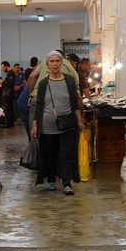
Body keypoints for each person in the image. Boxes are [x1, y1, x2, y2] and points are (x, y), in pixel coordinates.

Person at [31, 51, 85, 195]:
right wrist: (35, 125)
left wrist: (79, 119)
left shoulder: (69, 80)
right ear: (47, 64)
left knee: (67, 154)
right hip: (47, 126)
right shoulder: (43, 84)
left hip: (68, 124)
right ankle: (51, 180)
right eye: (52, 61)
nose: (55, 64)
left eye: (57, 61)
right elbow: (39, 105)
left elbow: (74, 102)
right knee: (49, 154)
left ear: (62, 63)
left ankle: (67, 183)